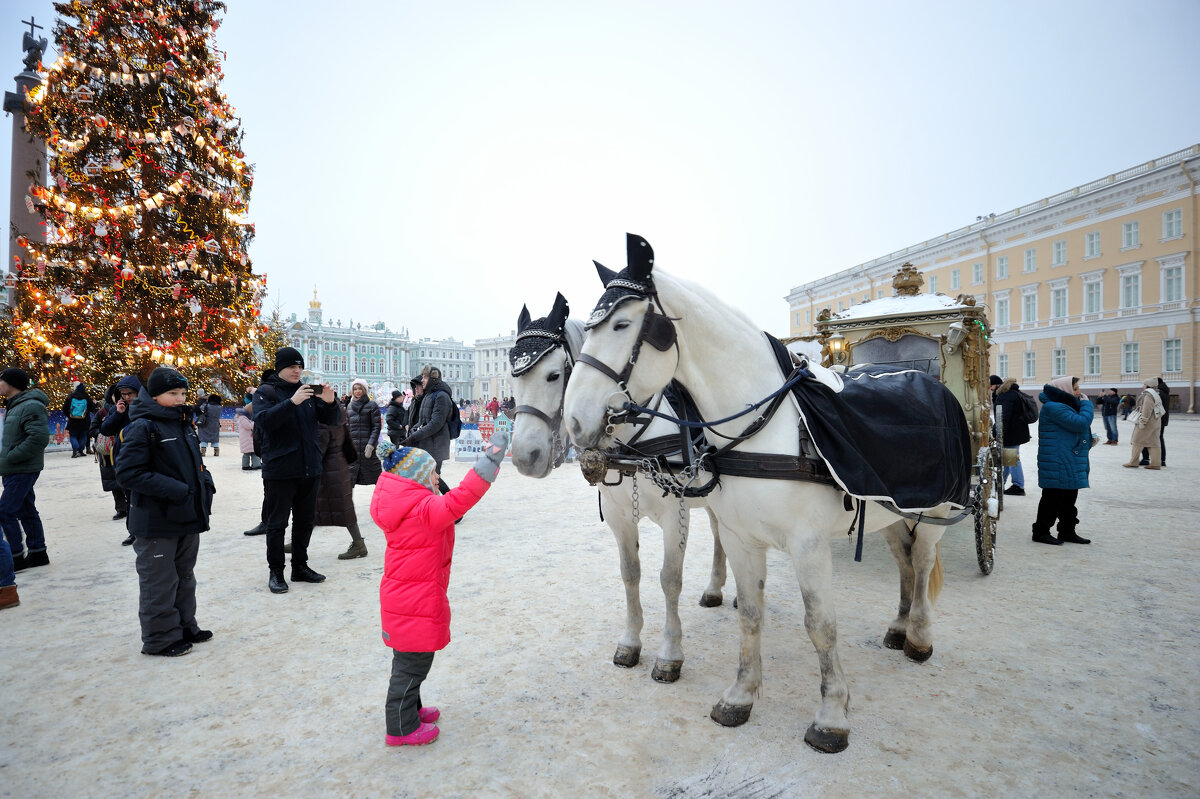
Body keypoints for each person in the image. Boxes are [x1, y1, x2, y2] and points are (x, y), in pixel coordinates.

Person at [371, 431, 510, 746]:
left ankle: (412, 711)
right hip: (414, 602)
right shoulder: (423, 511)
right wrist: (489, 462)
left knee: (411, 662)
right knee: (411, 667)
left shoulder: (409, 506)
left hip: (408, 599)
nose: (437, 478)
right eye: (432, 473)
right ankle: (400, 728)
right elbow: (460, 499)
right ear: (417, 478)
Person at [115, 367, 216, 657]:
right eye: (172, 394)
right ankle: (160, 638)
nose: (180, 399)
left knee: (184, 575)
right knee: (158, 581)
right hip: (156, 519)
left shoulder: (183, 423)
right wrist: (176, 490)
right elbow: (129, 473)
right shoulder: (143, 426)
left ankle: (185, 626)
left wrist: (205, 483)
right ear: (155, 395)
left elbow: (194, 464)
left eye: (183, 393)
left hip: (186, 515)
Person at [252, 347, 338, 594]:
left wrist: (330, 403)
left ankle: (300, 566)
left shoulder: (308, 392)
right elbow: (264, 422)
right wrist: (291, 402)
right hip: (280, 469)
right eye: (292, 366)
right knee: (277, 523)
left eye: (299, 367)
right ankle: (276, 571)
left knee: (304, 521)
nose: (297, 371)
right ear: (280, 367)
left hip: (309, 467)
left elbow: (331, 420)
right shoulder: (265, 392)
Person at [1031, 376, 1093, 546]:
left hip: (1068, 457)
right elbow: (1080, 423)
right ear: (1063, 390)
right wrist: (1087, 404)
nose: (1079, 392)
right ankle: (1041, 531)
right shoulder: (1053, 407)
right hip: (1057, 460)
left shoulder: (1064, 406)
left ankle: (1067, 531)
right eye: (1075, 389)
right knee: (1052, 498)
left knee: (1069, 497)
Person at [0, 368, 50, 572]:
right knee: (25, 509)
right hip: (16, 468)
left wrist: (11, 457)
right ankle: (38, 553)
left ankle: (15, 557)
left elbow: (39, 438)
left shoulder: (29, 406)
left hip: (21, 468)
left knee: (5, 511)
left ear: (11, 383)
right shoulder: (15, 405)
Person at [316, 402, 368, 560]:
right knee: (317, 507)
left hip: (328, 470)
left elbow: (319, 449)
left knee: (338, 508)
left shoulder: (324, 422)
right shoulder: (339, 416)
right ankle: (298, 540)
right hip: (339, 466)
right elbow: (348, 444)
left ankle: (359, 544)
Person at [100, 376, 144, 541]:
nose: (126, 397)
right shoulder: (117, 408)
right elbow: (105, 429)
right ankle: (133, 532)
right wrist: (118, 414)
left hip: (142, 456)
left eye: (130, 393)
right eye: (123, 394)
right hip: (123, 457)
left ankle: (145, 530)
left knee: (142, 497)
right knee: (130, 497)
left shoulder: (147, 406)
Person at [91, 383, 131, 526]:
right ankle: (120, 508)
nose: (121, 398)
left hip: (123, 449)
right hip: (108, 452)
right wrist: (104, 435)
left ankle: (130, 506)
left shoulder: (130, 409)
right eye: (116, 395)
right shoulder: (103, 411)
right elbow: (94, 428)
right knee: (113, 481)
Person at [992, 377, 1032, 496]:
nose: (990, 389)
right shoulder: (1014, 393)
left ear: (997, 385)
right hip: (1016, 432)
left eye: (991, 386)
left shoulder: (1006, 396)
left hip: (1011, 433)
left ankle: (1018, 486)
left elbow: (1002, 417)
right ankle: (1001, 482)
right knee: (1009, 459)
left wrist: (996, 433)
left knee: (1012, 459)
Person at [346, 378, 382, 487]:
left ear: (364, 390)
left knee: (377, 480)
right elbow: (347, 427)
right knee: (349, 481)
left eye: (360, 389)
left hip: (368, 449)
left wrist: (371, 444)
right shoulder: (349, 406)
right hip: (354, 450)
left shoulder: (372, 405)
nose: (357, 391)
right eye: (355, 389)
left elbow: (376, 427)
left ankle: (380, 502)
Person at [1125, 378, 1165, 470]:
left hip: (1147, 422)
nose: (1143, 386)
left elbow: (1147, 409)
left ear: (1148, 385)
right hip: (1155, 421)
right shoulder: (1156, 394)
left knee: (1137, 441)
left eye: (1144, 384)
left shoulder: (1148, 395)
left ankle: (1133, 462)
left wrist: (1143, 421)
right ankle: (1155, 463)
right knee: (1154, 442)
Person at [1138, 377, 1170, 467]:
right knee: (1159, 439)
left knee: (1147, 438)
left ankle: (1146, 459)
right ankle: (1161, 460)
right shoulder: (1165, 392)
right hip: (1162, 419)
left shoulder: (1156, 393)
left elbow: (1150, 407)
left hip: (1155, 419)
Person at [61, 382, 96, 458]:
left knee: (73, 435)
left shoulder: (71, 397)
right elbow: (92, 408)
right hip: (84, 421)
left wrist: (70, 415)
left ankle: (75, 451)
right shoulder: (87, 397)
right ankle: (80, 450)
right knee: (83, 435)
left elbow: (64, 408)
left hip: (73, 421)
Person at [235, 403, 260, 470]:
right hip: (246, 438)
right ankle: (245, 465)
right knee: (247, 453)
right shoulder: (242, 417)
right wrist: (255, 423)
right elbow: (247, 426)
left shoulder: (248, 416)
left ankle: (257, 465)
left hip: (251, 437)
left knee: (254, 452)